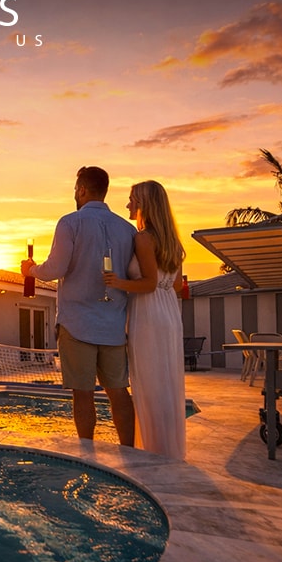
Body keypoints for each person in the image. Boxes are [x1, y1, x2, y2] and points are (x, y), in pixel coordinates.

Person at [21, 166, 137, 445]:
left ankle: (87, 452)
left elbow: (55, 268)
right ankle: (130, 451)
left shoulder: (70, 223)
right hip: (113, 325)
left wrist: (31, 270)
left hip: (77, 324)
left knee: (83, 394)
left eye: (76, 188)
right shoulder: (127, 229)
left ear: (82, 189)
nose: (75, 193)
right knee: (118, 392)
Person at [103, 180, 186, 460]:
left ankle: (154, 450)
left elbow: (149, 284)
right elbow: (175, 285)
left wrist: (118, 282)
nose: (128, 204)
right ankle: (167, 447)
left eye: (132, 199)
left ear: (144, 204)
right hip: (169, 313)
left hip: (149, 314)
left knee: (150, 383)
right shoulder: (172, 241)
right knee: (166, 381)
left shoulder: (143, 238)